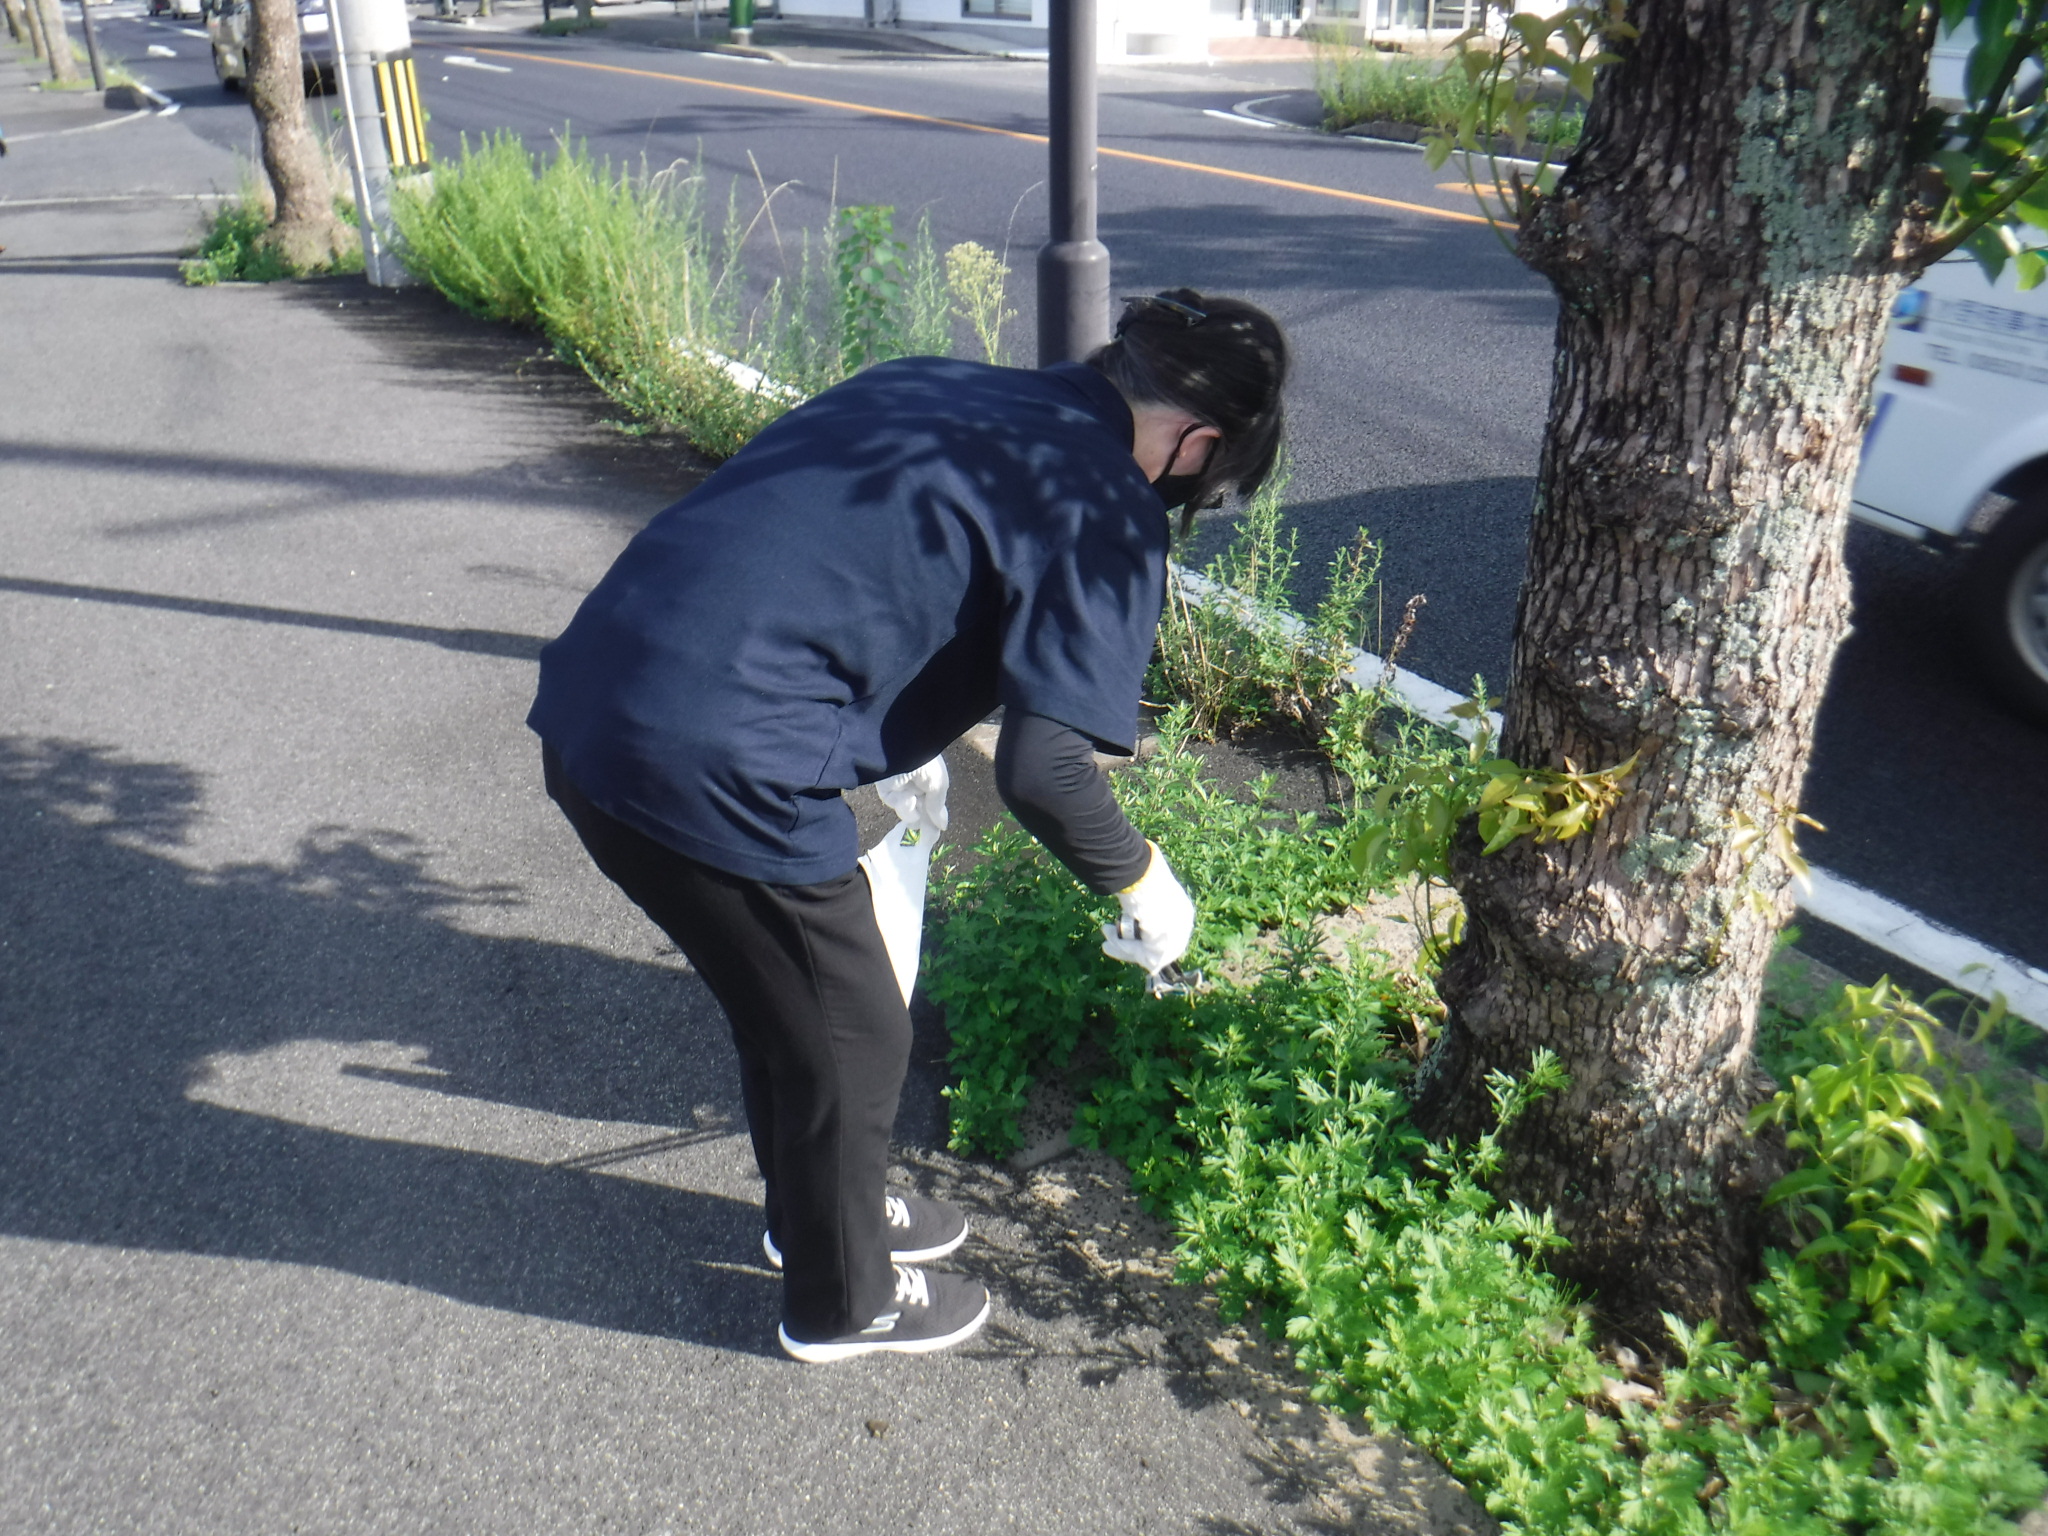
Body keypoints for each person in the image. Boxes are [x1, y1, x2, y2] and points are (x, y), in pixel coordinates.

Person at [529, 289, 1289, 1362]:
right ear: (1197, 444)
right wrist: (1141, 879)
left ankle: (821, 1222)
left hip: (595, 698)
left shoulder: (934, 381)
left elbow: (833, 555)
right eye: (1206, 483)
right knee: (853, 1026)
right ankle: (842, 1302)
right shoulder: (1104, 503)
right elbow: (1044, 770)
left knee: (793, 1006)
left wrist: (896, 724)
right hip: (709, 759)